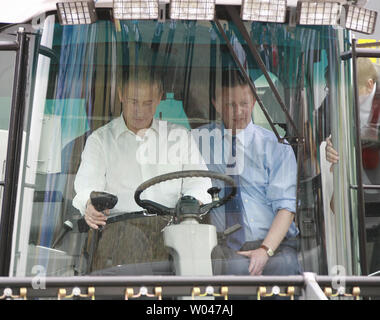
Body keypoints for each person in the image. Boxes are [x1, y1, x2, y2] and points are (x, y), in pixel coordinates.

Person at [72, 64, 212, 230]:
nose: (140, 111)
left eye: (148, 103)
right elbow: (87, 186)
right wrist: (90, 204)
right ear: (121, 95)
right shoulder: (100, 141)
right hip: (118, 232)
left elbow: (199, 184)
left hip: (171, 229)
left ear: (160, 98)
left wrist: (189, 205)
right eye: (134, 102)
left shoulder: (180, 137)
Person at [194, 70, 301, 276]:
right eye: (230, 105)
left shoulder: (277, 147)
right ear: (215, 103)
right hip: (225, 248)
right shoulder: (197, 142)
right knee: (230, 271)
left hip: (276, 245)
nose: (238, 111)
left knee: (286, 270)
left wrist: (264, 251)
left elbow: (286, 207)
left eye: (244, 103)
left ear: (254, 101)